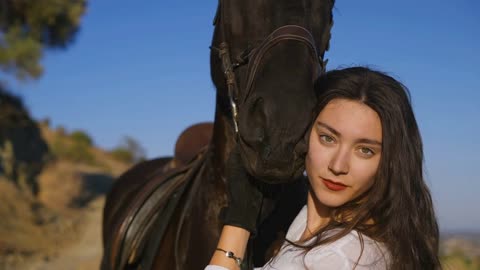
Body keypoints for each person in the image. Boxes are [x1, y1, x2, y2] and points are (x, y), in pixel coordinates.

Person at [205, 67, 441, 270]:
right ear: (304, 134)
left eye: (365, 150)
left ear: (390, 161)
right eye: (328, 138)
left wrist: (235, 231)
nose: (338, 166)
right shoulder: (310, 223)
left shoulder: (342, 258)